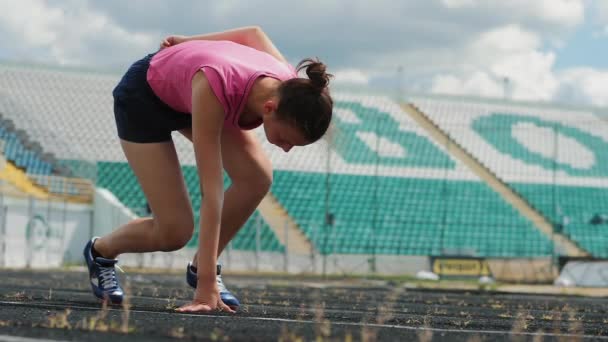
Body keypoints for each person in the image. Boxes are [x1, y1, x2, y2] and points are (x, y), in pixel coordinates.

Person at [83, 26, 333, 314]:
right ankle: (101, 252)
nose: (286, 149)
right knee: (174, 232)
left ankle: (202, 262)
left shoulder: (292, 87)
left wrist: (188, 42)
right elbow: (211, 190)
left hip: (190, 90)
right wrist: (205, 290)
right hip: (144, 99)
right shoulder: (216, 86)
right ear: (268, 107)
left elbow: (253, 34)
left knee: (257, 177)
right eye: (287, 140)